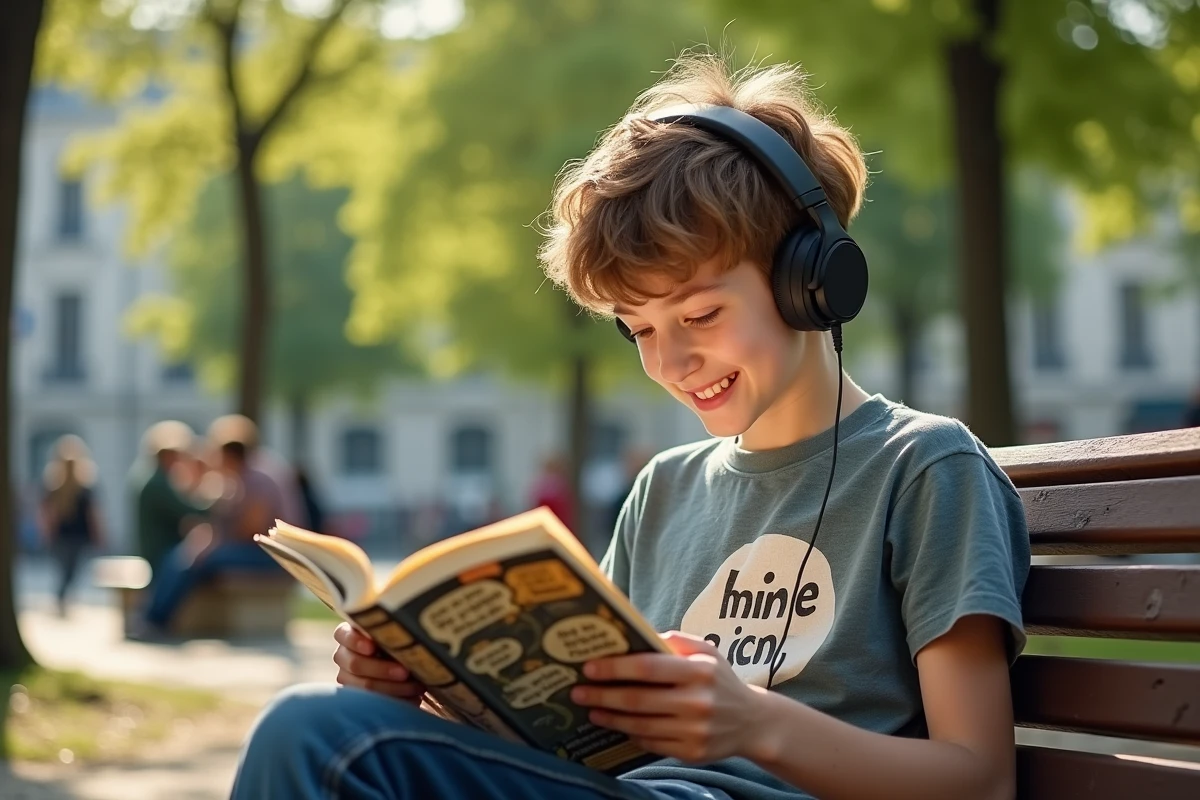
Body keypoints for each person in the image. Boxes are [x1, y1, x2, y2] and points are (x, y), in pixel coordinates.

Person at [233, 54, 1030, 800]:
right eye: (638, 328)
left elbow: (979, 778)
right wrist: (422, 696)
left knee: (319, 741)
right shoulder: (665, 489)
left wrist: (757, 722)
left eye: (701, 313)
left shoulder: (925, 469)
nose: (672, 359)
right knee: (335, 733)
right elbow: (579, 740)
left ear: (810, 282)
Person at [134, 434, 283, 638]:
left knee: (199, 558)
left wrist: (214, 542)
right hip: (250, 549)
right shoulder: (238, 481)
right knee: (184, 556)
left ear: (229, 456)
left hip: (268, 555)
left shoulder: (257, 481)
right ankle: (153, 617)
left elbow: (252, 530)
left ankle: (157, 620)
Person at [129, 421, 211, 583]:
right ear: (166, 455)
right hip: (161, 549)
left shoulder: (155, 479)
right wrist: (216, 502)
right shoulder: (158, 483)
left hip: (157, 548)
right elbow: (187, 510)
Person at [39, 435, 105, 616]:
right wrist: (100, 536)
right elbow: (93, 516)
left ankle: (61, 599)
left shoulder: (54, 487)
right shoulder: (83, 487)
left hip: (63, 536)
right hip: (75, 536)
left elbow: (47, 515)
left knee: (65, 571)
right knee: (70, 571)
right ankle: (61, 599)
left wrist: (47, 534)